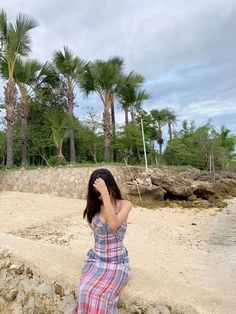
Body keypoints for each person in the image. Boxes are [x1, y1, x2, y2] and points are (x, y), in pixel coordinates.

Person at [72, 168, 132, 313]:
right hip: (96, 260)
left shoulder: (125, 204)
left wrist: (105, 194)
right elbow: (96, 231)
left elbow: (113, 225)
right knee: (85, 291)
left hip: (117, 262)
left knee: (103, 297)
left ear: (112, 186)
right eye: (97, 193)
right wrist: (103, 196)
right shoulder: (94, 207)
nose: (100, 196)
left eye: (104, 190)